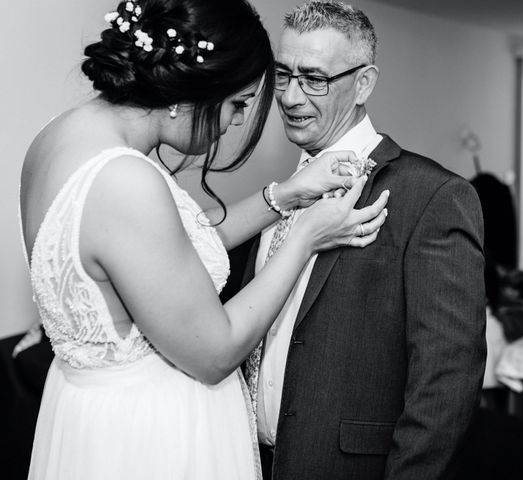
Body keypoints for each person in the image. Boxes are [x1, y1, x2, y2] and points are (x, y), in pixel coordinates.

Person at [19, 0, 389, 478]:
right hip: (148, 437)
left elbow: (161, 256)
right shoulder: (125, 181)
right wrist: (307, 237)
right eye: (237, 103)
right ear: (195, 90)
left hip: (90, 412)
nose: (236, 121)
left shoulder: (63, 137)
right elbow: (215, 352)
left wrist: (284, 195)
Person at [240, 2, 487, 479]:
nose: (290, 97)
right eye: (283, 74)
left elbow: (446, 380)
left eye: (314, 78)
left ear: (364, 83)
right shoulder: (277, 197)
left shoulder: (431, 196)